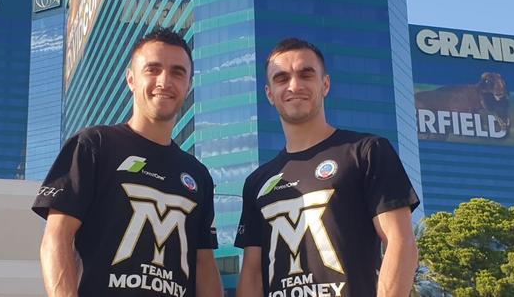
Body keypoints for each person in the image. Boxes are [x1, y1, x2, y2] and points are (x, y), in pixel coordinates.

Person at [32, 28, 223, 297]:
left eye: (177, 72)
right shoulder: (94, 145)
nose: (164, 81)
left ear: (188, 85)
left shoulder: (197, 174)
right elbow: (56, 237)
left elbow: (204, 265)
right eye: (152, 69)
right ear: (131, 79)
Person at [235, 38, 420, 297]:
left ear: (325, 84)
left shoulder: (367, 151)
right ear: (269, 94)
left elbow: (401, 243)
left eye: (305, 74)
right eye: (281, 78)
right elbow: (252, 274)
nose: (294, 85)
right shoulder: (257, 181)